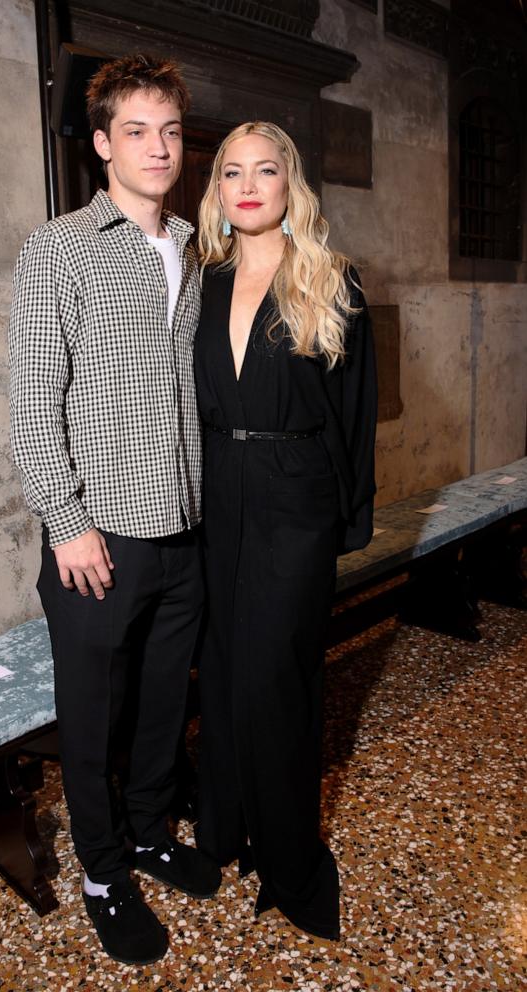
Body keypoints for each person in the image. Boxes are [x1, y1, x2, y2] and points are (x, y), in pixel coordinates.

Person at [8, 54, 220, 966]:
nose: (158, 147)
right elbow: (31, 401)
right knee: (92, 716)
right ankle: (101, 871)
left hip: (185, 528)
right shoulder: (58, 247)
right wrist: (65, 520)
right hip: (98, 537)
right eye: (136, 130)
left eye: (170, 130)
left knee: (163, 704)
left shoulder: (194, 250)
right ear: (101, 144)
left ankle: (143, 832)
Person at [194, 121, 377, 940]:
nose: (247, 185)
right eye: (231, 171)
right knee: (226, 670)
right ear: (218, 188)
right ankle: (225, 830)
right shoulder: (200, 278)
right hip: (218, 493)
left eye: (264, 170)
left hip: (296, 496)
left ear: (288, 183)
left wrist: (346, 518)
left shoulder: (331, 280)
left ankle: (289, 857)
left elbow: (356, 410)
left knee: (277, 676)